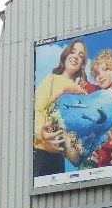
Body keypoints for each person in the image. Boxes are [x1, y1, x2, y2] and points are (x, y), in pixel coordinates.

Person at [33, 40, 89, 177]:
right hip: (41, 153)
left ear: (82, 64)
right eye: (73, 51)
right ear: (65, 55)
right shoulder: (51, 80)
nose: (76, 56)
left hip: (59, 158)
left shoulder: (81, 91)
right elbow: (37, 110)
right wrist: (42, 133)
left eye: (81, 56)